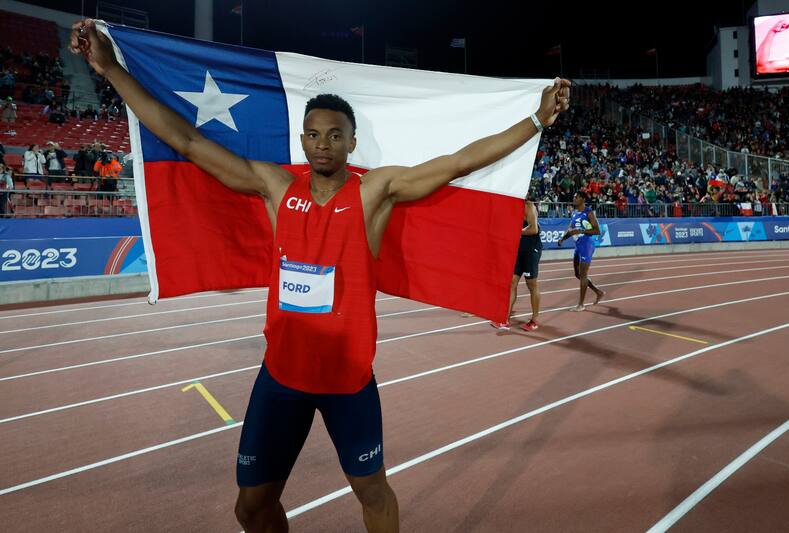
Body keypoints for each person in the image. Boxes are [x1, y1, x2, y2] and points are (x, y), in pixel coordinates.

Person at [71, 19, 570, 533]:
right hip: (281, 378)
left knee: (373, 494)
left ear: (352, 142)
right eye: (313, 134)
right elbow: (186, 139)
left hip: (347, 381)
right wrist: (109, 68)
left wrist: (537, 119)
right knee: (250, 507)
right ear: (303, 140)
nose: (322, 143)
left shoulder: (375, 191)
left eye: (334, 134)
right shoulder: (274, 187)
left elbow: (459, 161)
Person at [491, 195, 542, 331]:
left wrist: (514, 232)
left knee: (531, 284)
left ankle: (534, 320)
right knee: (512, 282)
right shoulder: (512, 207)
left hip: (531, 250)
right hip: (518, 250)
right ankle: (505, 319)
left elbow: (534, 229)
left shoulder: (528, 206)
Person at [557, 191, 604, 312]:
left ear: (582, 199)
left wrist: (581, 230)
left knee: (583, 275)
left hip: (586, 245)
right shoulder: (574, 213)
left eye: (576, 197)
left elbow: (597, 231)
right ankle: (598, 291)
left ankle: (581, 304)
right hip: (578, 246)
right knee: (577, 274)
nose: (574, 198)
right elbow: (570, 229)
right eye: (573, 196)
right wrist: (563, 239)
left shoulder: (588, 212)